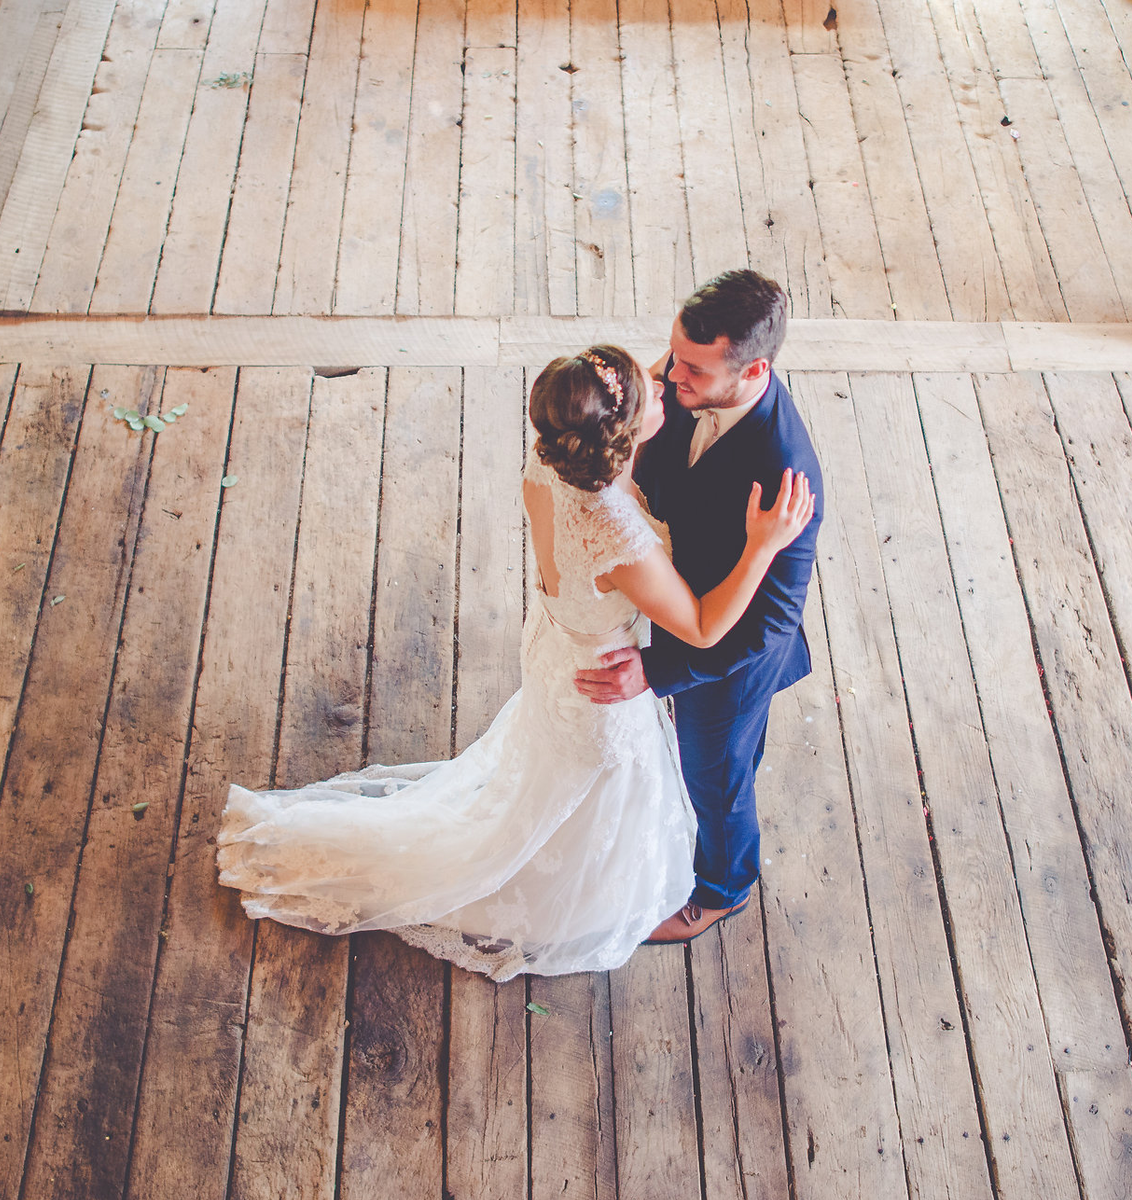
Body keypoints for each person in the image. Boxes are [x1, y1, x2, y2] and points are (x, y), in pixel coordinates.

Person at [213, 343, 814, 980]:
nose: (665, 382)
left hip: (558, 647)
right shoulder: (618, 535)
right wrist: (761, 547)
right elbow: (701, 626)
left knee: (547, 778)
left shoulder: (552, 456)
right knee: (596, 789)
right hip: (600, 684)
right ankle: (568, 890)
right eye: (653, 388)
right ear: (624, 434)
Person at [573, 270, 824, 945]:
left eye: (690, 368)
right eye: (673, 352)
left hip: (726, 663)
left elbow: (768, 625)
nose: (665, 377)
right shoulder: (685, 379)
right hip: (673, 587)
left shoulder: (785, 474)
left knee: (716, 776)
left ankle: (722, 888)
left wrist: (659, 671)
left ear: (753, 370)